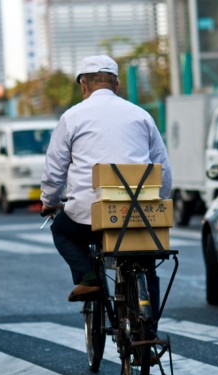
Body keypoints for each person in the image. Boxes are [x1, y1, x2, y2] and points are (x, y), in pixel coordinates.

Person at [40, 55, 172, 321]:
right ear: (117, 85)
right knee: (146, 264)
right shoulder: (141, 115)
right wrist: (159, 200)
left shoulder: (72, 117)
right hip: (139, 214)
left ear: (83, 86)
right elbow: (163, 169)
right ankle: (149, 329)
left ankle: (88, 278)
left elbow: (55, 169)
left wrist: (49, 201)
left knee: (61, 231)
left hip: (90, 216)